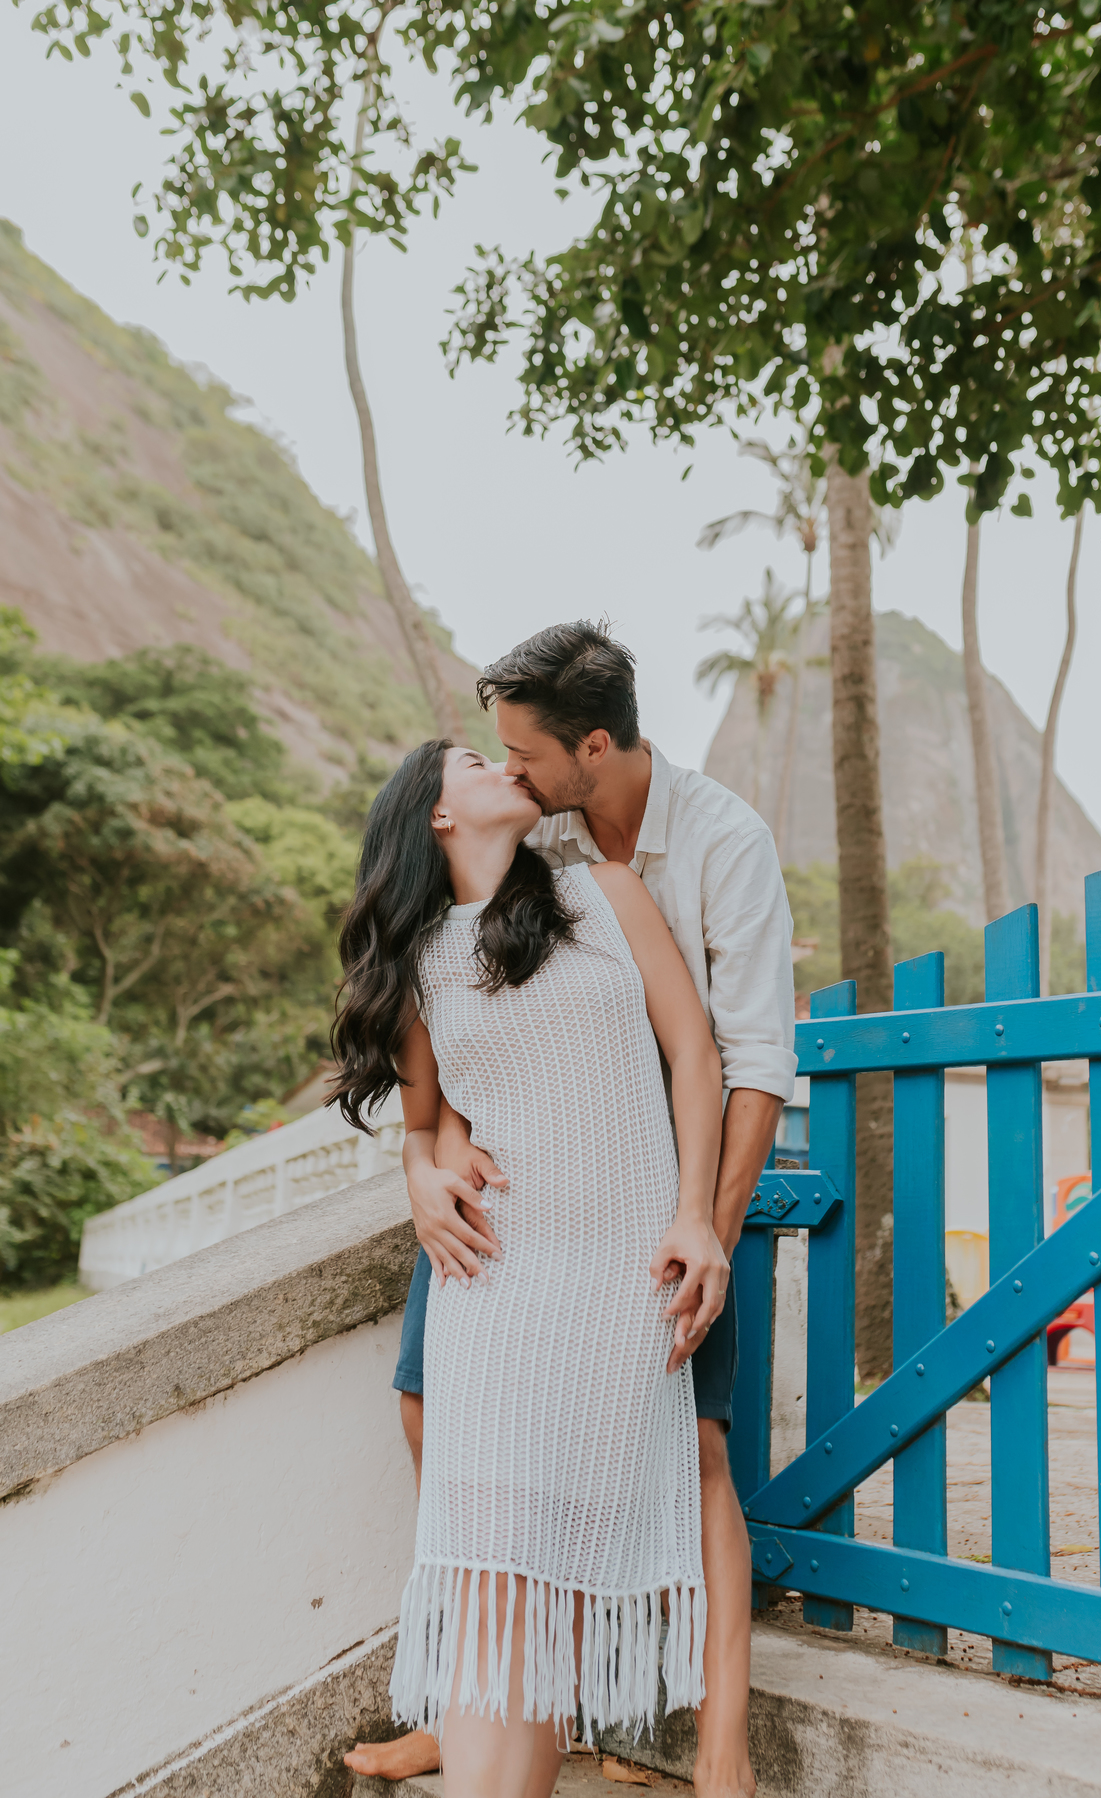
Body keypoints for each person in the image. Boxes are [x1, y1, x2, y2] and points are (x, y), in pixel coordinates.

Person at [346, 623, 797, 1797]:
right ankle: (475, 1711)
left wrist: (704, 1223)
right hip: (510, 1256)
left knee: (688, 1458)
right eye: (484, 758)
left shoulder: (682, 857)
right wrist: (420, 1166)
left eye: (521, 753)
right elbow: (430, 1102)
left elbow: (723, 1057)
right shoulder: (479, 900)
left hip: (646, 1225)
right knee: (451, 1455)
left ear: (592, 747)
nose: (509, 768)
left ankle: (720, 1749)